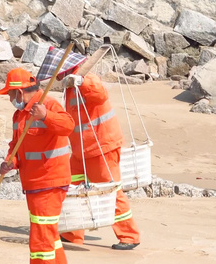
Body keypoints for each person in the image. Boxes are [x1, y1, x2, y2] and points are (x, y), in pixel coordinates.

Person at [37, 47, 140, 251]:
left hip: (102, 146)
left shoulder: (86, 79)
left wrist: (82, 81)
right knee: (73, 187)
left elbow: (99, 93)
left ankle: (129, 235)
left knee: (111, 190)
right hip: (80, 150)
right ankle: (73, 233)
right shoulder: (69, 86)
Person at [0, 67, 75, 264]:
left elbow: (68, 126)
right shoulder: (20, 115)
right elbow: (18, 145)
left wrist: (45, 116)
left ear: (20, 92)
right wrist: (11, 161)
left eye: (11, 95)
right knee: (48, 232)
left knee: (40, 235)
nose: (10, 99)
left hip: (50, 180)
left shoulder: (47, 105)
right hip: (34, 182)